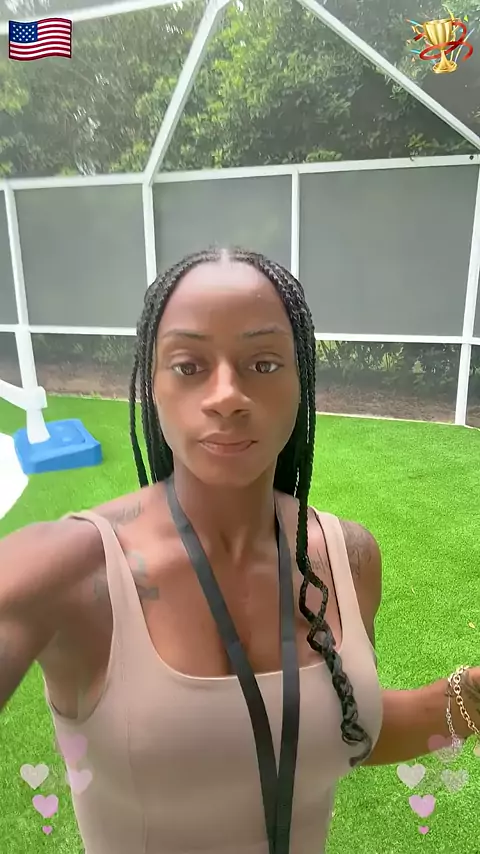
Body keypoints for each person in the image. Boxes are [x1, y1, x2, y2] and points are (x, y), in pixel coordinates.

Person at [0, 246, 478, 854]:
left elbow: (334, 731)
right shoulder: (63, 570)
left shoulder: (347, 558)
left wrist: (470, 696)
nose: (227, 394)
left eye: (263, 362)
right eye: (188, 365)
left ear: (301, 382)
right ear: (152, 385)